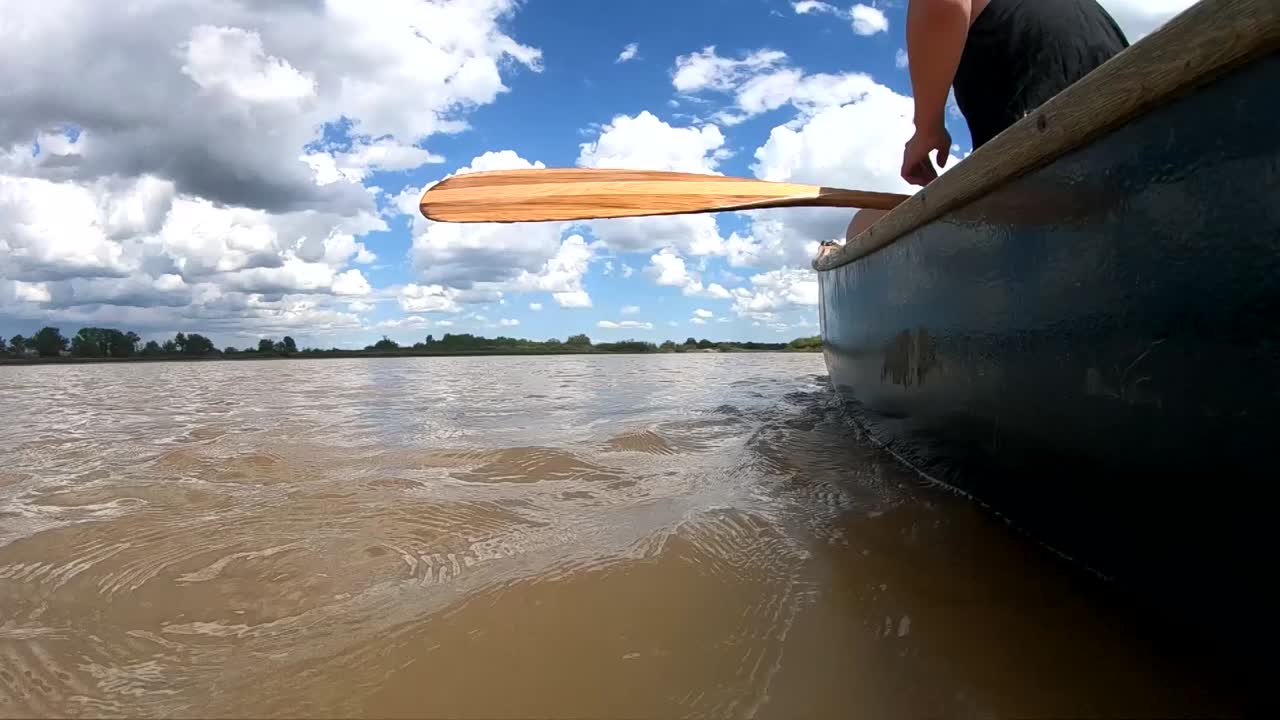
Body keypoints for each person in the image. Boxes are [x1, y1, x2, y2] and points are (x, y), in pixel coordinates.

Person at [845, 0, 1130, 240]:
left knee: (863, 224)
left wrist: (926, 127)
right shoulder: (1082, 13)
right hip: (1130, 180)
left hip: (1058, 193)